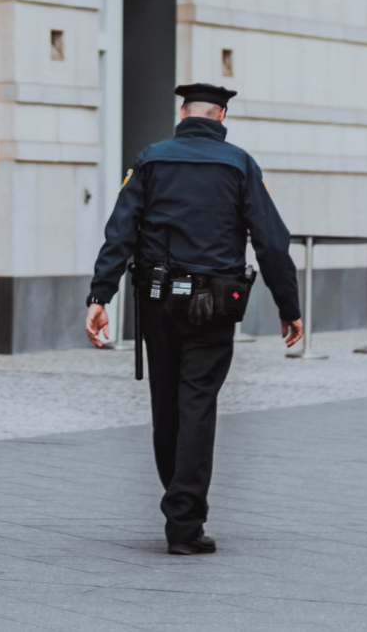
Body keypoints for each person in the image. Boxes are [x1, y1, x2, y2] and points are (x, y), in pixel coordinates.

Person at [85, 83, 303, 555]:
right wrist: (290, 307)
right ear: (221, 117)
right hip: (214, 305)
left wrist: (100, 294)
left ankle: (178, 505)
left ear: (183, 113)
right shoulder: (240, 164)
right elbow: (271, 241)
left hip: (157, 301)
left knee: (165, 405)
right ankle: (184, 522)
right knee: (197, 405)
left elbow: (120, 230)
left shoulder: (150, 159)